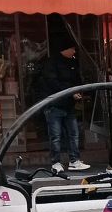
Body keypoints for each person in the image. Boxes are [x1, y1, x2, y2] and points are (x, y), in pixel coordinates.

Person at [38, 43, 88, 174]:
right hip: (54, 105)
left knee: (73, 133)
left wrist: (77, 92)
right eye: (72, 48)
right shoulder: (51, 63)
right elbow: (52, 82)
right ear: (64, 49)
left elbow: (77, 80)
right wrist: (71, 92)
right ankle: (55, 162)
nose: (74, 51)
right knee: (56, 136)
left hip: (68, 105)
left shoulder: (72, 63)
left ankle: (74, 161)